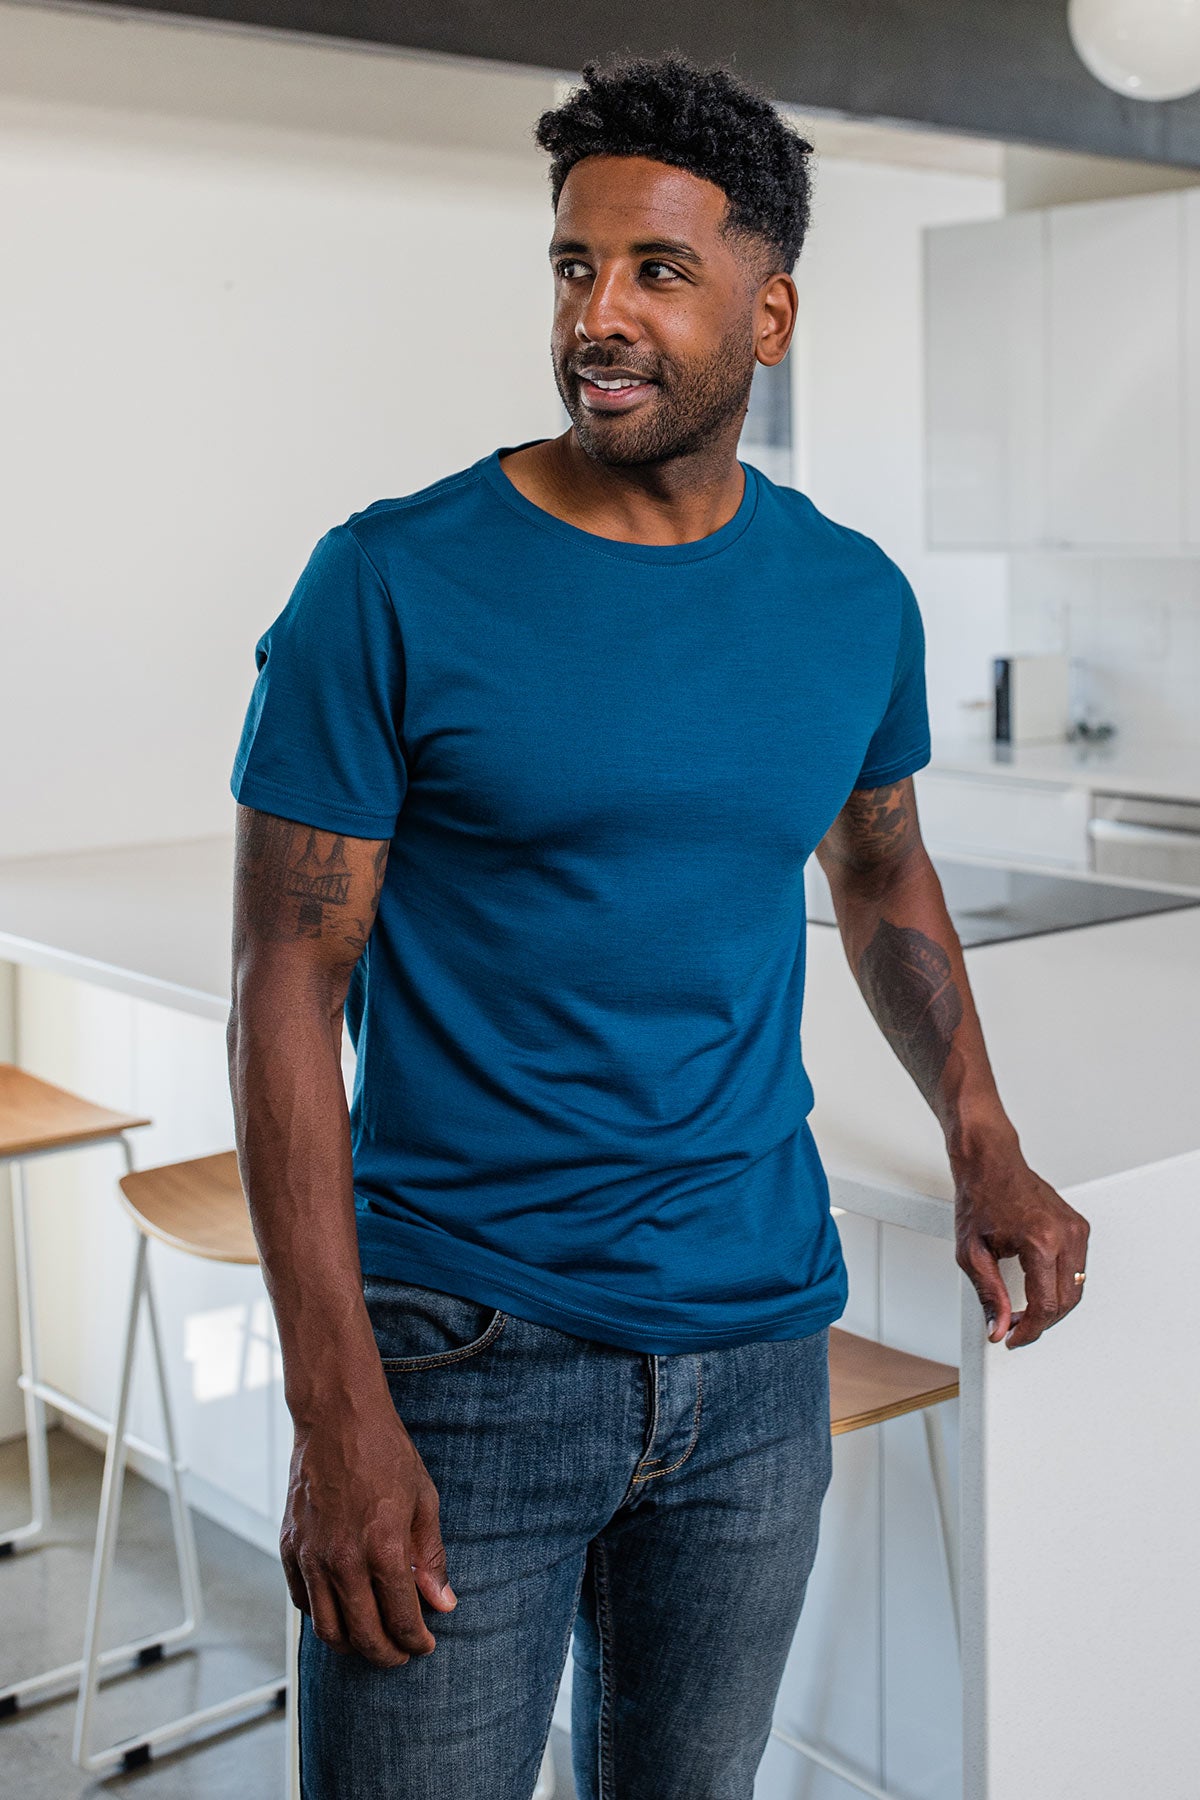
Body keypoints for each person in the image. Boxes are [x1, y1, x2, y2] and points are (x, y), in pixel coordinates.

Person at [226, 53, 1090, 1800]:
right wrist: (334, 1407)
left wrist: (982, 1137)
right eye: (573, 266)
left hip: (754, 1358)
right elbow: (286, 983)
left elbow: (880, 872)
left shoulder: (851, 600)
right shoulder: (389, 583)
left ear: (767, 314)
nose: (598, 315)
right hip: (460, 1357)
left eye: (656, 272)